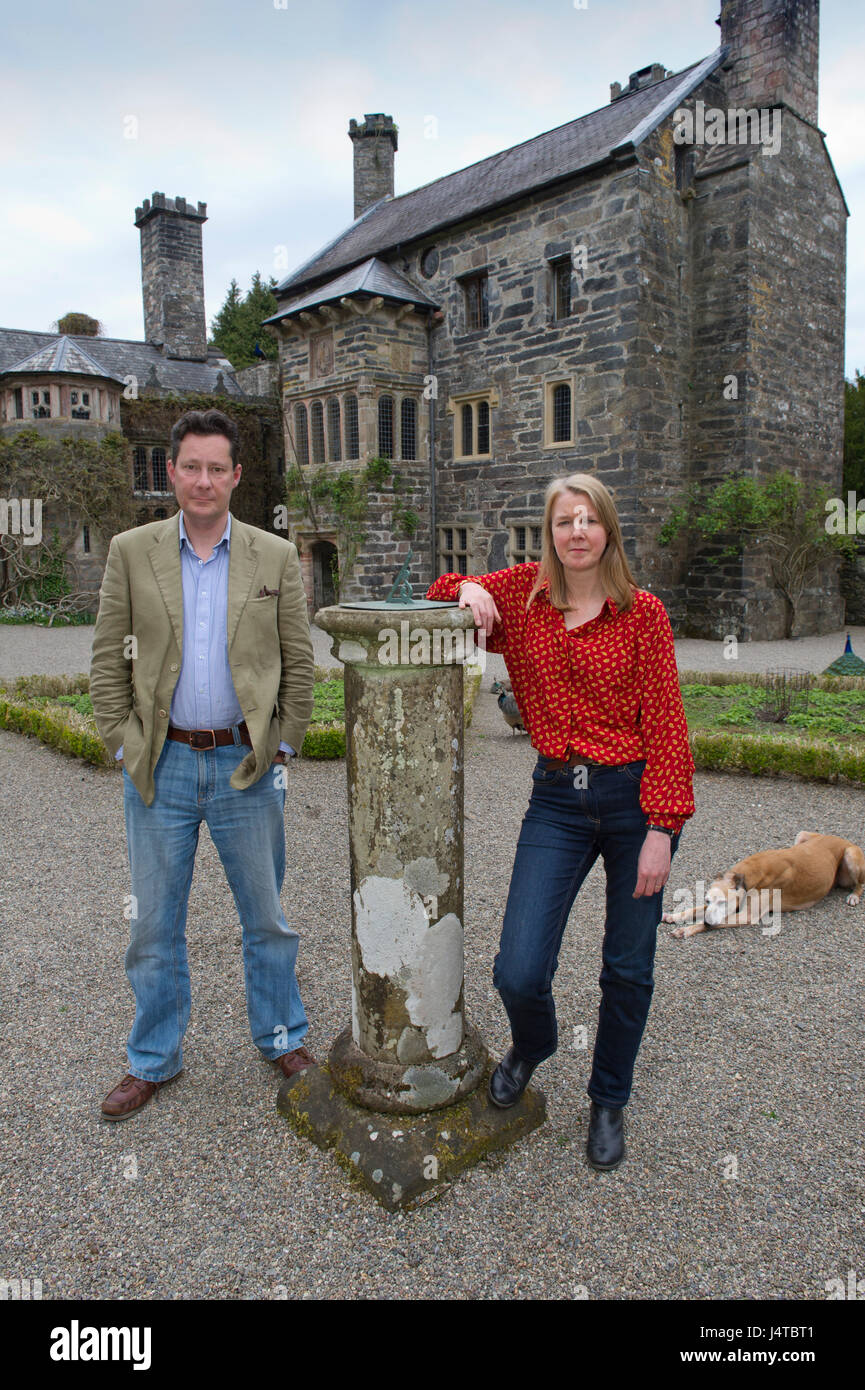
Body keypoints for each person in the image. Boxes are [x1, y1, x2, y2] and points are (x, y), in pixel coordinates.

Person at [426, 473, 695, 1170]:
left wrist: (662, 829)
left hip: (634, 801)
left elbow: (666, 724)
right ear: (548, 534)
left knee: (626, 968)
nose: (576, 532)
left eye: (589, 520)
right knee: (517, 968)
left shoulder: (643, 614)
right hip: (556, 799)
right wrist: (467, 589)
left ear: (607, 530)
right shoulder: (523, 594)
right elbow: (436, 595)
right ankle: (533, 1044)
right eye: (563, 521)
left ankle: (608, 1099)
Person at [90, 409, 316, 1121]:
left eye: (217, 468)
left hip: (246, 767)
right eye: (191, 466)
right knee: (153, 924)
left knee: (267, 917)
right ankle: (153, 1058)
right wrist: (124, 747)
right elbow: (106, 659)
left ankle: (281, 1036)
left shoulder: (273, 556)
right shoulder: (131, 550)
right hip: (164, 765)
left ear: (236, 477)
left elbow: (299, 661)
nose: (204, 480)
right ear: (171, 471)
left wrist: (283, 742)